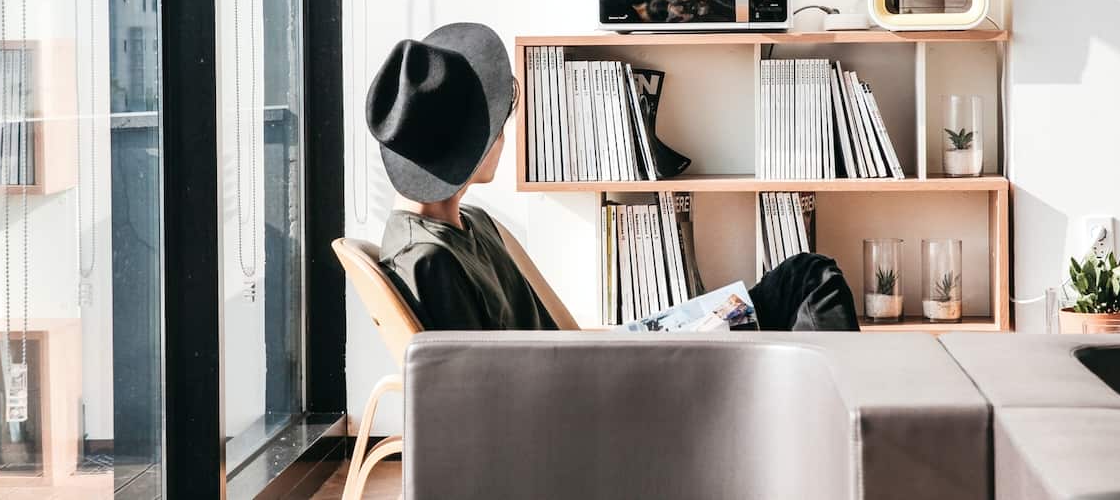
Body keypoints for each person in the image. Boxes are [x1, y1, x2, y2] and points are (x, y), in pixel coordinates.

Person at [366, 22, 859, 332]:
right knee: (816, 283)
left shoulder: (471, 222)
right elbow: (486, 398)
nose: (505, 133)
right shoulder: (429, 261)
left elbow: (566, 330)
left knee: (807, 273)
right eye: (498, 123)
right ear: (470, 149)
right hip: (597, 393)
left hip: (602, 362)